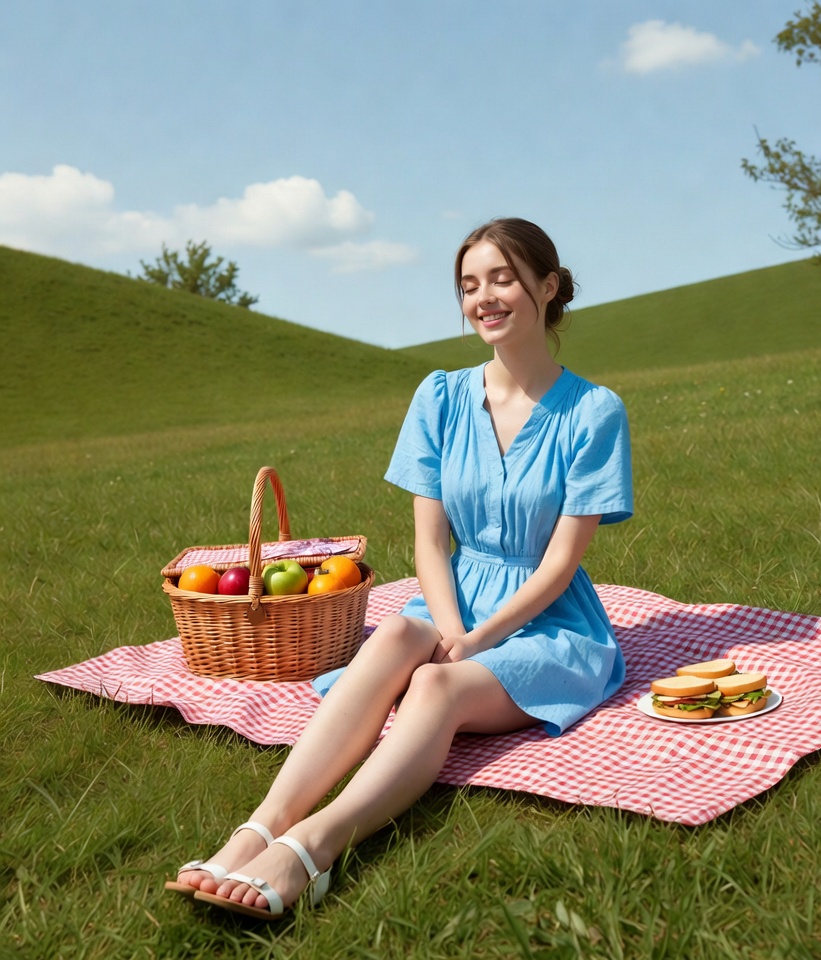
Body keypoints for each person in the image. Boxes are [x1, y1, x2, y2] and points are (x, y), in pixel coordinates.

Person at [165, 217, 634, 920]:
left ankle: (311, 850)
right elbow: (428, 546)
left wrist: (475, 641)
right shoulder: (439, 398)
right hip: (453, 593)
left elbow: (563, 562)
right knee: (391, 640)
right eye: (469, 285)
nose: (484, 298)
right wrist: (449, 623)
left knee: (438, 687)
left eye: (502, 278)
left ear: (548, 286)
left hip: (548, 621)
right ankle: (259, 828)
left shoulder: (594, 412)